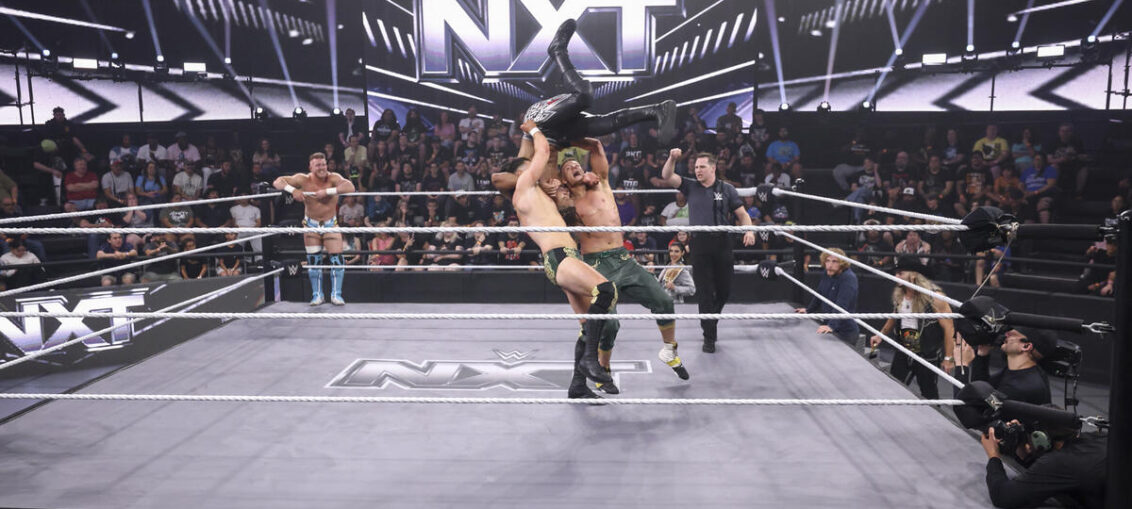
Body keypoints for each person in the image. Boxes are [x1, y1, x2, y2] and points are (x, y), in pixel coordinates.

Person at [557, 138, 690, 388]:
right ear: (563, 179)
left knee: (663, 301)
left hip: (623, 258)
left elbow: (596, 146)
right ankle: (603, 369)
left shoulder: (601, 182)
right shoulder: (567, 201)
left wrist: (570, 136)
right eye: (568, 167)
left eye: (577, 164)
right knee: (608, 325)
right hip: (596, 264)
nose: (575, 167)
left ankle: (669, 350)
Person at [497, 120, 616, 397]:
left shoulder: (538, 194)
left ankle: (577, 386)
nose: (535, 169)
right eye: (528, 167)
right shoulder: (524, 186)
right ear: (520, 173)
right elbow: (542, 153)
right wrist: (534, 130)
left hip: (566, 256)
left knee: (587, 324)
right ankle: (590, 360)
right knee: (606, 291)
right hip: (559, 257)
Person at [521, 19, 676, 152]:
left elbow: (525, 162)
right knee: (606, 125)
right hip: (558, 135)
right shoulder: (554, 173)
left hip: (537, 124)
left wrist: (534, 133)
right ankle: (656, 110)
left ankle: (557, 51)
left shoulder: (524, 172)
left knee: (583, 96)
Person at [660, 150, 756, 353]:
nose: (698, 170)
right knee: (704, 292)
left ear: (713, 168)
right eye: (696, 167)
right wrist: (673, 158)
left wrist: (749, 230)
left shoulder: (727, 189)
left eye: (702, 167)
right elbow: (667, 175)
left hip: (722, 241)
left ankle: (710, 323)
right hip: (700, 242)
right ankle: (709, 337)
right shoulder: (690, 186)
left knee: (724, 290)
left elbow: (742, 214)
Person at [273, 153, 356, 306]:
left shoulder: (333, 178)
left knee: (337, 259)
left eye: (324, 164)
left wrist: (328, 191)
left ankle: (336, 295)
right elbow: (277, 182)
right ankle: (317, 295)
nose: (322, 168)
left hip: (330, 224)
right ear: (310, 167)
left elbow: (350, 187)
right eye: (318, 165)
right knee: (314, 260)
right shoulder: (303, 179)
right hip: (311, 225)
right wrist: (293, 190)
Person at [869, 257, 956, 399]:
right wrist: (881, 335)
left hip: (926, 351)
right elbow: (895, 314)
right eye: (896, 273)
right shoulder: (900, 293)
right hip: (904, 346)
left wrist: (949, 357)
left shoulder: (934, 297)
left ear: (914, 275)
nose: (896, 276)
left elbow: (949, 328)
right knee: (894, 386)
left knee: (929, 393)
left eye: (901, 273)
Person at [980, 422, 1107, 509]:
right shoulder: (1098, 436)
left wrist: (993, 455)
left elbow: (1002, 496)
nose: (1028, 446)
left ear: (1040, 438)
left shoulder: (1059, 462)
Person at [965, 327, 1054, 405]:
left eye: (1011, 335)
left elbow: (978, 404)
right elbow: (981, 388)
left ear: (1026, 346)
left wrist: (962, 366)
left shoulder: (1018, 388)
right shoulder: (1020, 371)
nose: (1006, 335)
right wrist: (982, 354)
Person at [795, 248, 860, 346]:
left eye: (834, 261)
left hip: (845, 331)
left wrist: (831, 326)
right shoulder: (827, 273)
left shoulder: (848, 278)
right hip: (830, 325)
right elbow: (820, 294)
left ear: (842, 263)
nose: (830, 265)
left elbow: (842, 304)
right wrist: (809, 310)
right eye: (827, 261)